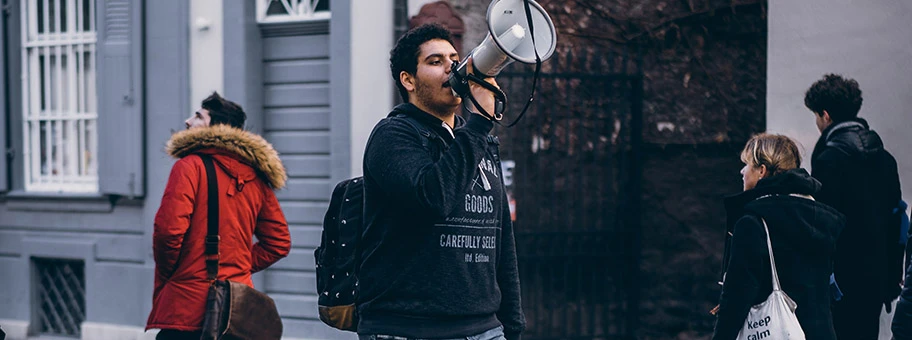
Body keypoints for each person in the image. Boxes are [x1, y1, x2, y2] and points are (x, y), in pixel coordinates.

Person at [356, 23, 525, 340]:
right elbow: (434, 198)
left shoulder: (478, 141)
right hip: (410, 329)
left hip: (484, 329)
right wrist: (478, 125)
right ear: (408, 80)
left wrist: (513, 326)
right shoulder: (393, 135)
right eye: (435, 62)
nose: (452, 67)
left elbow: (501, 240)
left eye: (454, 58)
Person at [146, 92, 291, 340]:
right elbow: (278, 243)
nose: (188, 121)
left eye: (198, 116)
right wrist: (240, 266)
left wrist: (178, 271)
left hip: (190, 309)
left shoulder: (189, 166)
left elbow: (168, 231)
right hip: (236, 310)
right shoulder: (255, 177)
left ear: (217, 127)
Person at [712, 134, 844, 340]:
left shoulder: (754, 223)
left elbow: (736, 298)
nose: (742, 171)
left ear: (761, 171)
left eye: (746, 164)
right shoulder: (819, 218)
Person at [805, 74, 903, 339]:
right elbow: (896, 221)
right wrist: (892, 279)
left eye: (815, 116)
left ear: (825, 116)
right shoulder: (885, 159)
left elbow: (823, 227)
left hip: (840, 283)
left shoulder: (829, 160)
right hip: (877, 278)